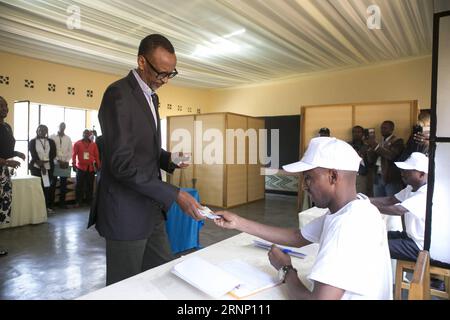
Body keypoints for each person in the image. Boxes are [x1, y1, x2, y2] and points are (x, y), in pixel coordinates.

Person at [215, 137, 393, 299]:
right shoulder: (359, 207)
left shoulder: (346, 226)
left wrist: (286, 270)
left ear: (333, 176)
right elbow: (298, 237)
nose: (304, 186)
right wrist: (238, 222)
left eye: (308, 178)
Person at [91, 33, 204, 285]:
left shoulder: (151, 96)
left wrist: (169, 159)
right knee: (125, 286)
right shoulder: (118, 94)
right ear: (141, 62)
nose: (165, 80)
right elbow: (121, 163)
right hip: (126, 213)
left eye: (170, 73)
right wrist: (175, 193)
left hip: (151, 208)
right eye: (161, 73)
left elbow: (143, 150)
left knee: (162, 276)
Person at [369, 152, 428, 261]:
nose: (402, 173)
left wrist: (367, 206)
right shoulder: (410, 188)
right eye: (403, 170)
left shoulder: (425, 193)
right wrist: (365, 200)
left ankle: (384, 277)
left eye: (407, 171)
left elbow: (398, 210)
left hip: (420, 246)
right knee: (377, 236)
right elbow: (390, 200)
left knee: (377, 246)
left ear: (421, 174)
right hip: (410, 237)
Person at [0, 96, 26, 256]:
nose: (5, 108)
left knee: (2, 209)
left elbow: (6, 149)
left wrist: (16, 153)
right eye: (1, 105)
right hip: (2, 167)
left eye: (6, 105)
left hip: (3, 173)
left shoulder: (7, 127)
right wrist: (4, 162)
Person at [367, 120, 405, 198]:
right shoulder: (379, 142)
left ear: (392, 129)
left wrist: (376, 146)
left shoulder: (398, 141)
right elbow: (371, 160)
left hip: (391, 178)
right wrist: (370, 149)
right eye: (381, 128)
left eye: (385, 128)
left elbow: (391, 156)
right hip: (377, 176)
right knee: (378, 202)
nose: (382, 130)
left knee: (391, 202)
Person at [29, 124, 57, 214]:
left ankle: (46, 207)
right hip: (36, 168)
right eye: (40, 130)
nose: (42, 131)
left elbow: (53, 154)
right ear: (37, 131)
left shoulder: (51, 142)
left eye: (44, 130)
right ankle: (37, 208)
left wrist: (45, 163)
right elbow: (33, 154)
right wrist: (41, 165)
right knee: (37, 188)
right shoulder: (33, 141)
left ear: (46, 132)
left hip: (48, 167)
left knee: (47, 187)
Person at [72, 129, 100, 208]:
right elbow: (74, 155)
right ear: (82, 134)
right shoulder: (77, 143)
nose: (86, 134)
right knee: (79, 185)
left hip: (90, 168)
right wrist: (73, 164)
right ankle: (78, 202)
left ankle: (89, 201)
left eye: (88, 133)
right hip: (80, 168)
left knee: (90, 186)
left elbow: (97, 156)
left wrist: (98, 166)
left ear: (90, 135)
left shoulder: (94, 145)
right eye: (84, 133)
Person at [49, 122, 72, 209]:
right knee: (53, 184)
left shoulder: (68, 138)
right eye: (61, 126)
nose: (62, 127)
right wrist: (57, 161)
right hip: (55, 163)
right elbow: (50, 150)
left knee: (63, 185)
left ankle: (62, 203)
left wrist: (66, 161)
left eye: (64, 126)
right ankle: (51, 204)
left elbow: (70, 151)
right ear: (58, 126)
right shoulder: (52, 137)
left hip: (65, 164)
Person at [348, 125, 370, 195]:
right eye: (354, 132)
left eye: (358, 132)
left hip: (361, 175)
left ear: (363, 134)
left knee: (360, 197)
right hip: (349, 175)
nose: (356, 134)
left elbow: (370, 161)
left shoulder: (367, 145)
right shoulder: (348, 145)